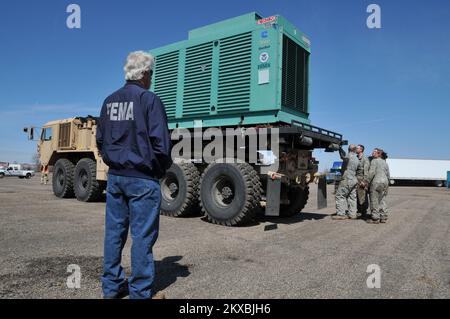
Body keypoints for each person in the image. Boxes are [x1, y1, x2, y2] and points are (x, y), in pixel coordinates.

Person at [96, 51, 173, 299]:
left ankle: (112, 287)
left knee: (114, 233)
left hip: (116, 177)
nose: (151, 78)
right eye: (150, 74)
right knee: (142, 236)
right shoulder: (149, 100)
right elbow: (161, 144)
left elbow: (100, 141)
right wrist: (158, 171)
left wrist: (113, 162)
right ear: (144, 74)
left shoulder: (109, 101)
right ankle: (139, 292)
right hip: (142, 178)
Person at [332, 144, 359, 220]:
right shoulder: (356, 158)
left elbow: (343, 157)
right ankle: (353, 214)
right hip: (354, 179)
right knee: (352, 197)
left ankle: (341, 214)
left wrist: (339, 149)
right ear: (355, 150)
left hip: (347, 178)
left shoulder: (349, 156)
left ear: (349, 149)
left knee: (340, 195)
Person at [364, 148, 390, 224]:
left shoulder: (374, 161)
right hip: (385, 182)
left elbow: (371, 172)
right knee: (382, 200)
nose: (372, 153)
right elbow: (388, 175)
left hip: (376, 182)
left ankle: (375, 218)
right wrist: (387, 184)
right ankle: (383, 217)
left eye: (374, 152)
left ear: (379, 154)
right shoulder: (385, 163)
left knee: (374, 200)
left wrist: (366, 181)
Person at [356, 144, 370, 217]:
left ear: (361, 150)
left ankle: (364, 212)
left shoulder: (365, 158)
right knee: (358, 196)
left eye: (357, 148)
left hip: (362, 180)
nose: (356, 149)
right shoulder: (356, 158)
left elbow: (366, 171)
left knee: (363, 196)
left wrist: (364, 181)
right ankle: (359, 211)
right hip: (356, 180)